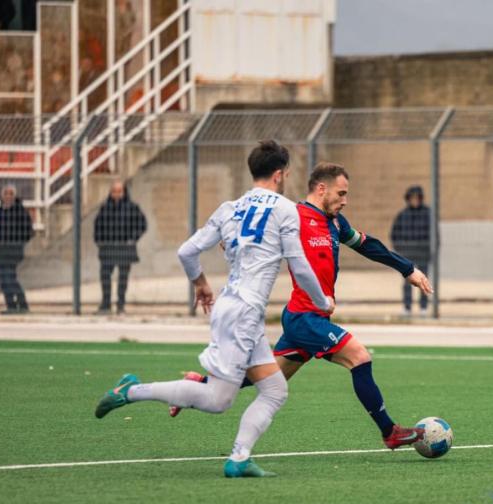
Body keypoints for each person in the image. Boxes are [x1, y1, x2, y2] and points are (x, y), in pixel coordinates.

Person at [95, 140, 335, 478]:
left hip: (232, 307)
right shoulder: (285, 209)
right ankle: (130, 391)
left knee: (275, 389)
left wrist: (200, 283)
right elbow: (300, 265)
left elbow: (186, 251)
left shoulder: (229, 209)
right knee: (218, 400)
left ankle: (239, 458)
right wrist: (323, 301)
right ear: (280, 174)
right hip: (244, 313)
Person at [171, 163, 432, 451]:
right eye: (341, 193)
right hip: (304, 317)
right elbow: (249, 231)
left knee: (267, 376)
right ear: (321, 189)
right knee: (359, 357)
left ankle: (198, 385)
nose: (345, 200)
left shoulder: (336, 222)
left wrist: (407, 269)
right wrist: (231, 239)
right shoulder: (291, 215)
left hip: (308, 317)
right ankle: (389, 431)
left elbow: (368, 245)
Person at [93, 181, 147, 314]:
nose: (117, 194)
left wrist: (132, 239)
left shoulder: (132, 207)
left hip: (125, 248)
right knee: (105, 276)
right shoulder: (105, 208)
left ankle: (120, 304)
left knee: (123, 278)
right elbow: (97, 226)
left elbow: (142, 224)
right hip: (108, 248)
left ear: (124, 192)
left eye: (119, 191)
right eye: (114, 191)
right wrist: (100, 241)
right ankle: (106, 304)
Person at [390, 185, 432, 316]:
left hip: (423, 252)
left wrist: (431, 250)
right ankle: (407, 307)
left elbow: (434, 234)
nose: (415, 200)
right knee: (408, 281)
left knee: (424, 281)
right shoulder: (403, 215)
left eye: (417, 198)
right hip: (407, 253)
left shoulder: (427, 214)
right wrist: (400, 251)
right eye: (412, 198)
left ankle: (423, 307)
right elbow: (394, 234)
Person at [0, 184, 33, 313]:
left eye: (10, 194)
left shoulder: (20, 211)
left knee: (10, 279)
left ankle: (22, 304)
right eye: (6, 193)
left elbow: (28, 230)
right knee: (3, 281)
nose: (8, 196)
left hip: (13, 250)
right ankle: (10, 306)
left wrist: (18, 243)